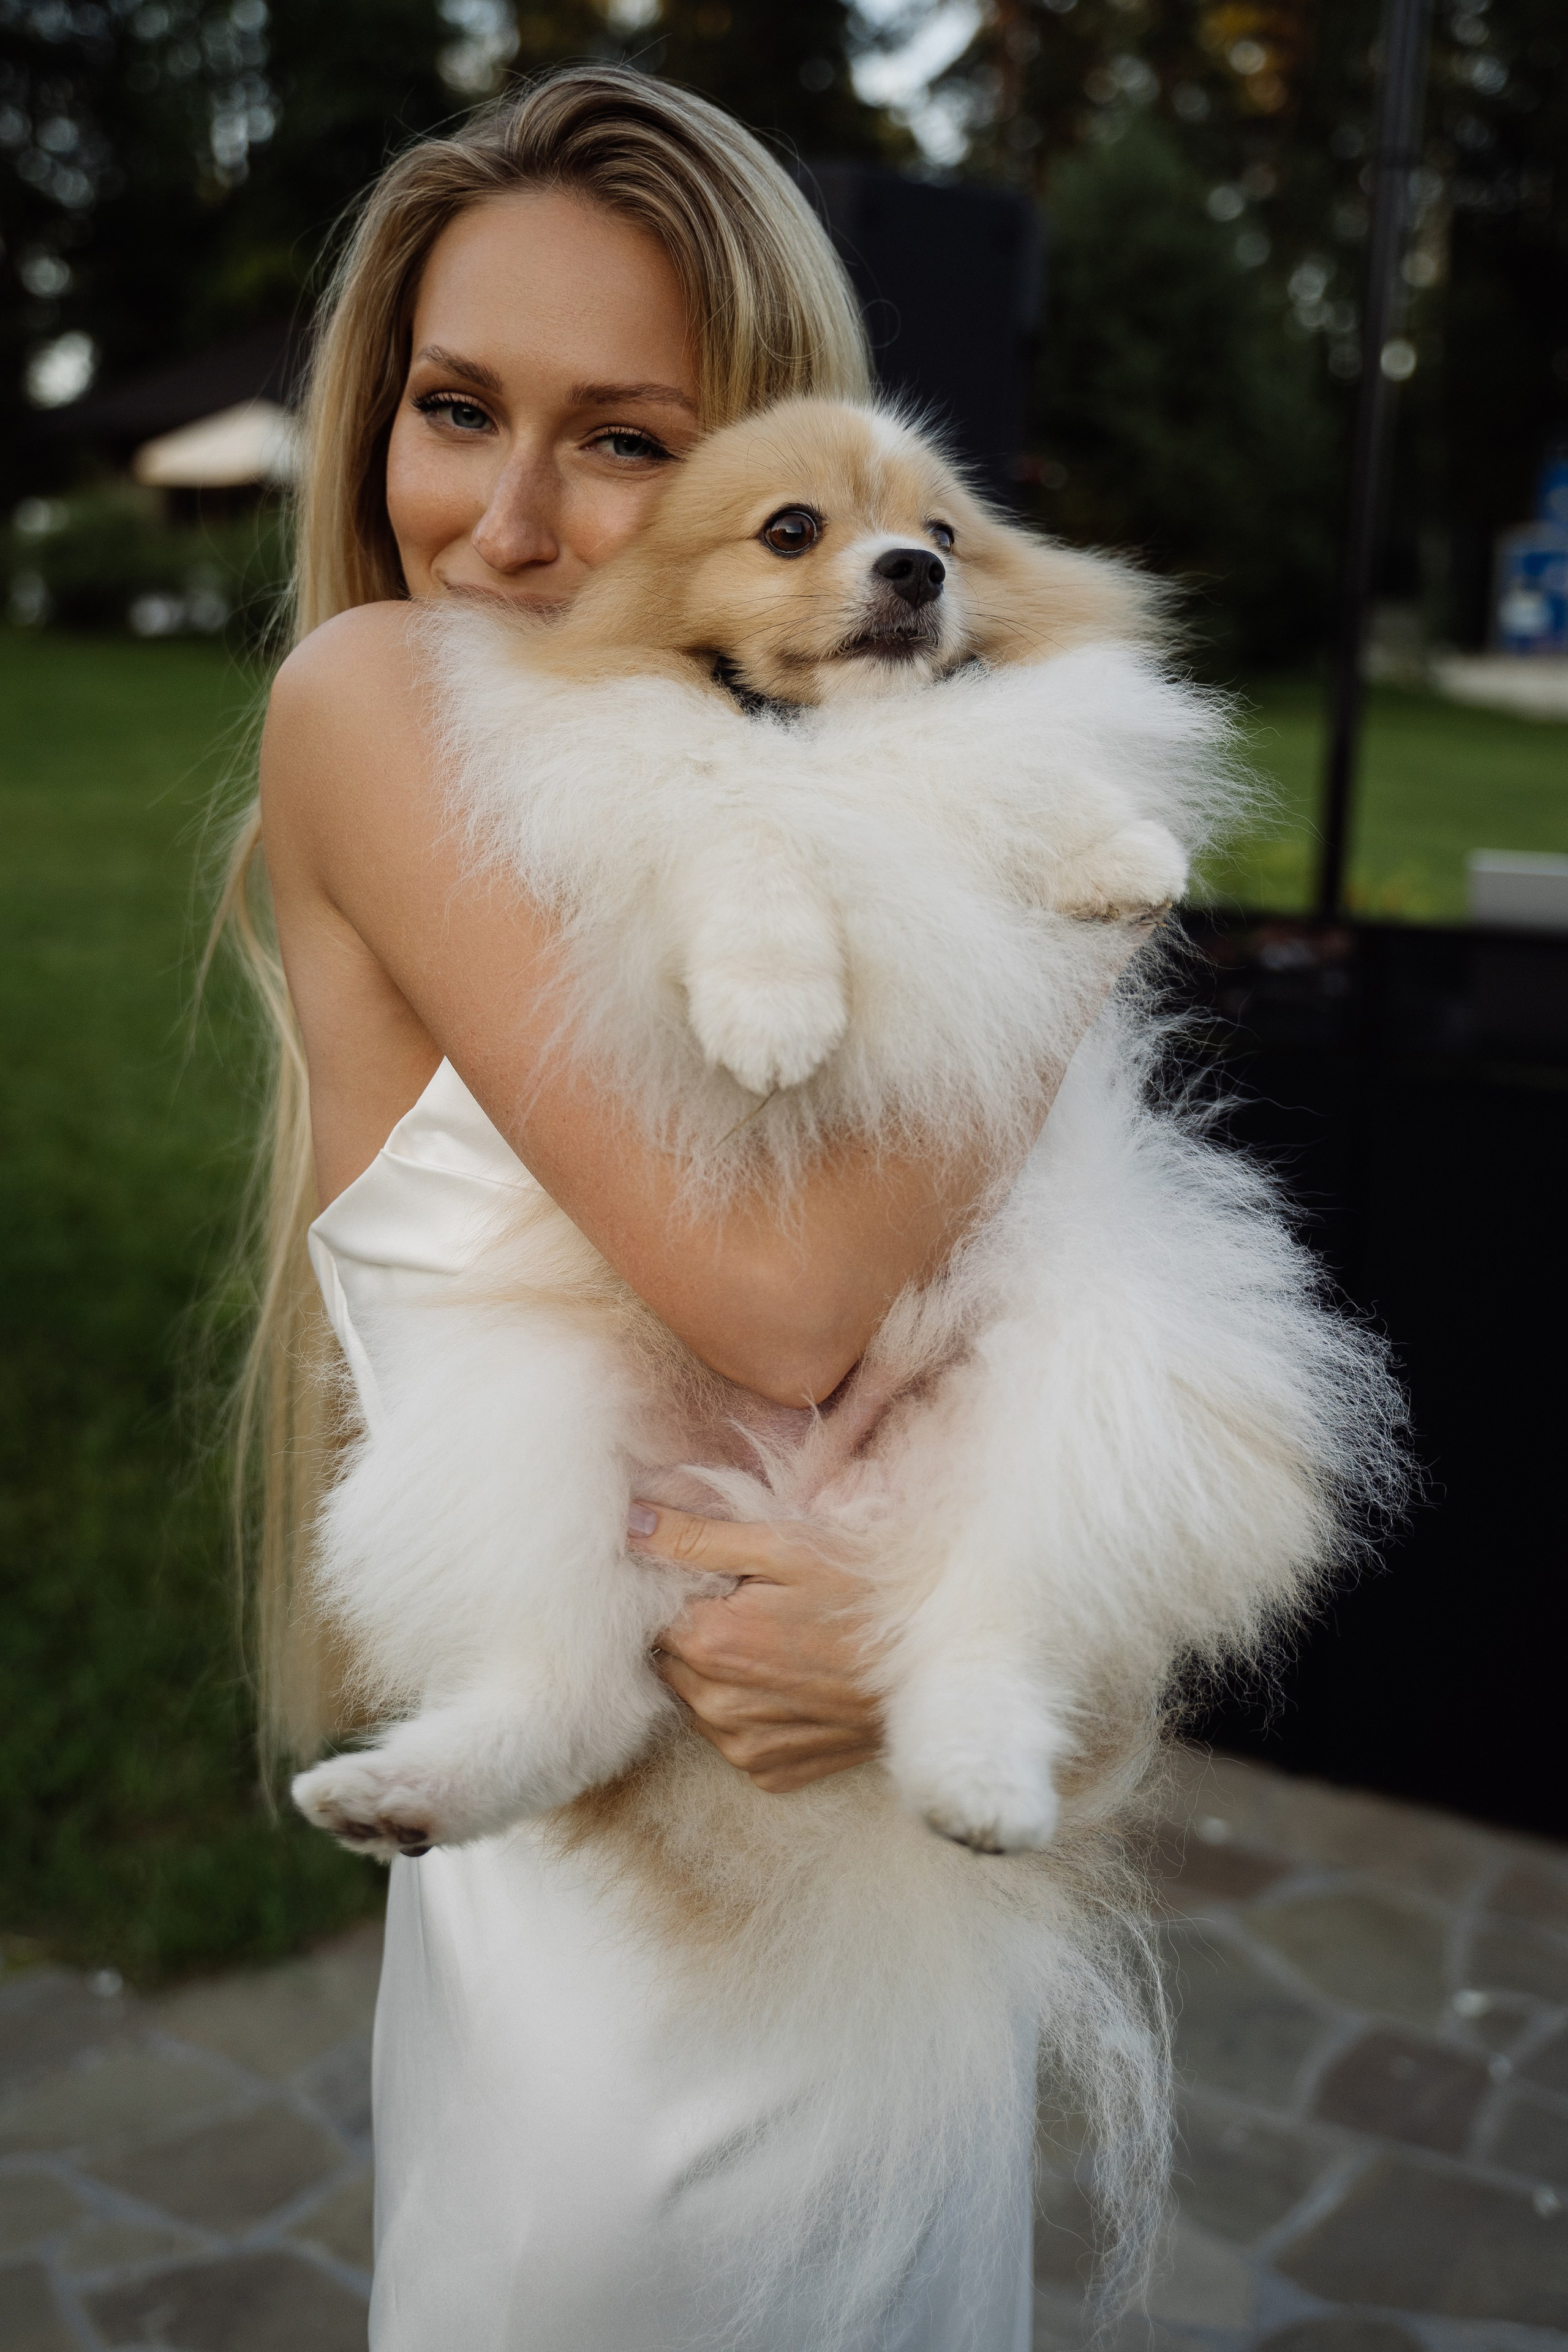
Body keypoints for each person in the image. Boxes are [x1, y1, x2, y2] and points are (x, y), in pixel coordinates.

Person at [237, 65, 1098, 2351]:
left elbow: (1036, 1347)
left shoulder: (799, 797)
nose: (507, 524)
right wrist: (1074, 915)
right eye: (454, 410)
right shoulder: (375, 694)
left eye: (622, 441)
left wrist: (953, 1637)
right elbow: (792, 1306)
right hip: (622, 2032)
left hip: (896, 1980)